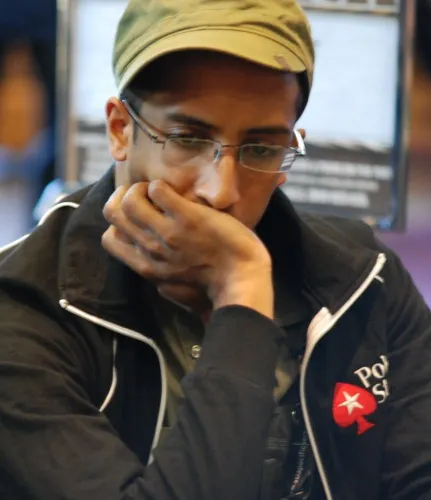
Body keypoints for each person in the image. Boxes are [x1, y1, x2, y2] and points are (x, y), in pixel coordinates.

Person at [0, 0, 430, 499]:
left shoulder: (364, 280)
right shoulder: (23, 307)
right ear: (120, 129)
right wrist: (242, 291)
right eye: (187, 139)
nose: (221, 192)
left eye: (261, 148)